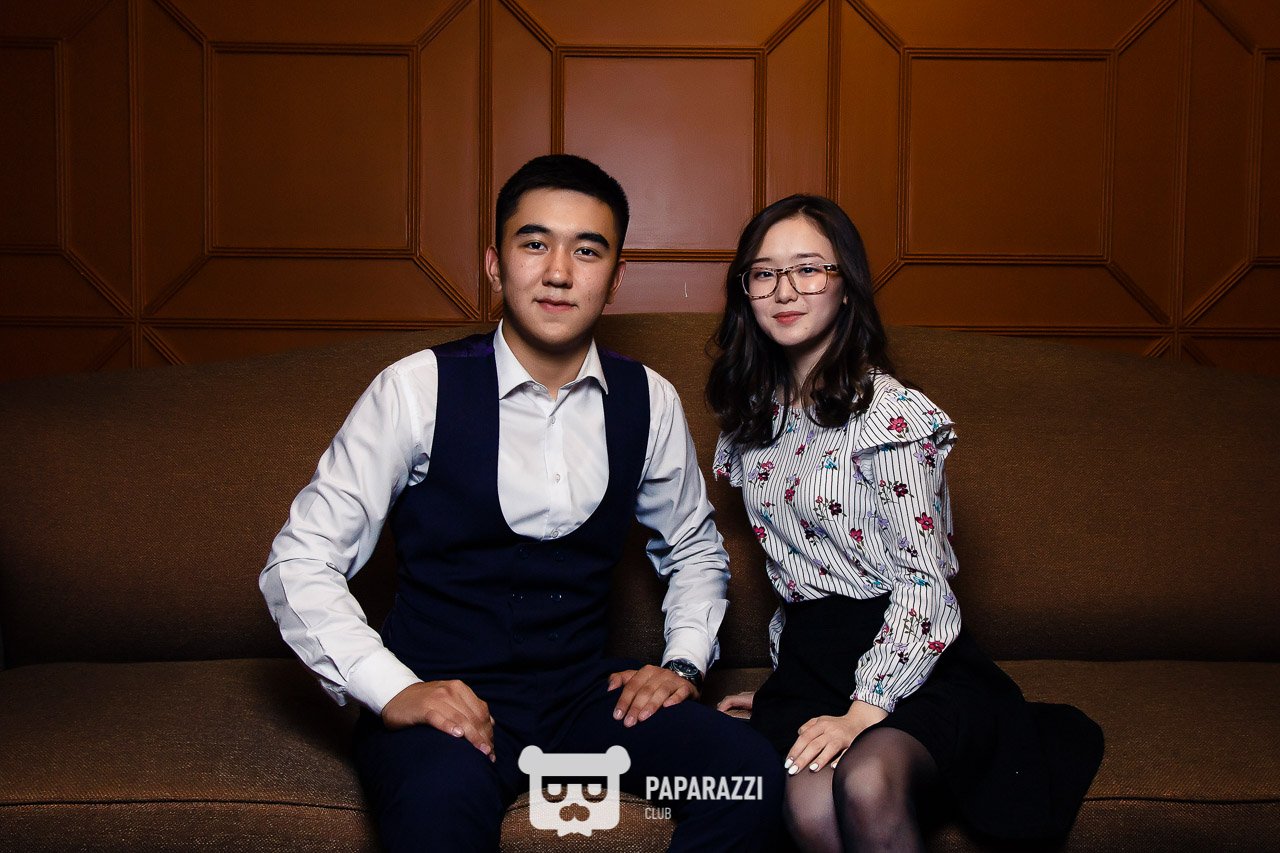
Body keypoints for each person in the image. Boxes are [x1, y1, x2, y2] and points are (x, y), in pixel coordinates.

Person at [259, 154, 783, 852]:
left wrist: (684, 660)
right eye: (535, 243)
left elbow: (694, 549)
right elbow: (298, 561)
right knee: (438, 812)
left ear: (615, 277)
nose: (559, 271)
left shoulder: (648, 400)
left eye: (587, 250)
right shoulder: (416, 389)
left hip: (583, 700)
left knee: (747, 778)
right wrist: (393, 689)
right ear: (494, 265)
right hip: (445, 699)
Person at [708, 195, 1103, 852]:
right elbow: (797, 571)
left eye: (808, 269)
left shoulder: (889, 415)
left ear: (846, 286)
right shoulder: (753, 421)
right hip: (813, 664)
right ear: (745, 290)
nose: (785, 290)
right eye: (764, 273)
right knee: (807, 803)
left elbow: (925, 582)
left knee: (866, 780)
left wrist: (864, 707)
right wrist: (785, 685)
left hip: (909, 658)